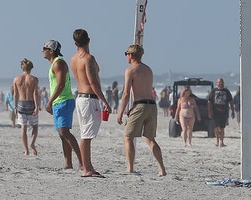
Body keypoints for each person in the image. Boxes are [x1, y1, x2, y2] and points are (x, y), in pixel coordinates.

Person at [116, 44, 166, 176]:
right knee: (150, 138)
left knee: (128, 137)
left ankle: (130, 167)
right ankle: (162, 168)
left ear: (131, 55)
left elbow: (126, 93)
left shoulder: (130, 70)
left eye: (126, 53)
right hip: (152, 105)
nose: (126, 56)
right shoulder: (148, 69)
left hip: (140, 105)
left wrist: (120, 112)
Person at [70, 29, 111, 178]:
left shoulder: (74, 58)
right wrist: (104, 100)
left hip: (80, 97)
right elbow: (93, 82)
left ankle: (87, 166)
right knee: (86, 135)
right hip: (89, 98)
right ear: (89, 40)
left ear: (75, 43)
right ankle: (86, 168)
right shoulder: (88, 58)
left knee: (85, 133)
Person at [42, 40, 83, 171]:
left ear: (51, 50)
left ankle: (82, 162)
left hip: (63, 100)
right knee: (62, 134)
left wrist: (49, 101)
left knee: (64, 132)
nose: (42, 50)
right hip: (59, 101)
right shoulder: (54, 63)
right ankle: (68, 163)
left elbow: (61, 84)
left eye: (45, 48)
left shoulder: (58, 63)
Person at [12, 58, 40, 155]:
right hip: (31, 104)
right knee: (35, 127)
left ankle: (26, 150)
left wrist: (15, 107)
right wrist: (37, 107)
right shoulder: (34, 79)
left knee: (23, 128)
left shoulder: (16, 79)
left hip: (21, 104)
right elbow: (35, 94)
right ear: (31, 68)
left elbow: (15, 94)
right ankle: (32, 143)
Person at [207, 78, 235, 147]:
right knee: (216, 127)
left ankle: (221, 142)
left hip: (224, 112)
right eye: (219, 82)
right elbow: (209, 101)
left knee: (222, 128)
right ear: (217, 83)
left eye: (221, 82)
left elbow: (231, 102)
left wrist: (233, 111)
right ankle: (217, 140)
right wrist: (210, 111)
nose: (220, 83)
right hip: (216, 112)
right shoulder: (213, 91)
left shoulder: (226, 91)